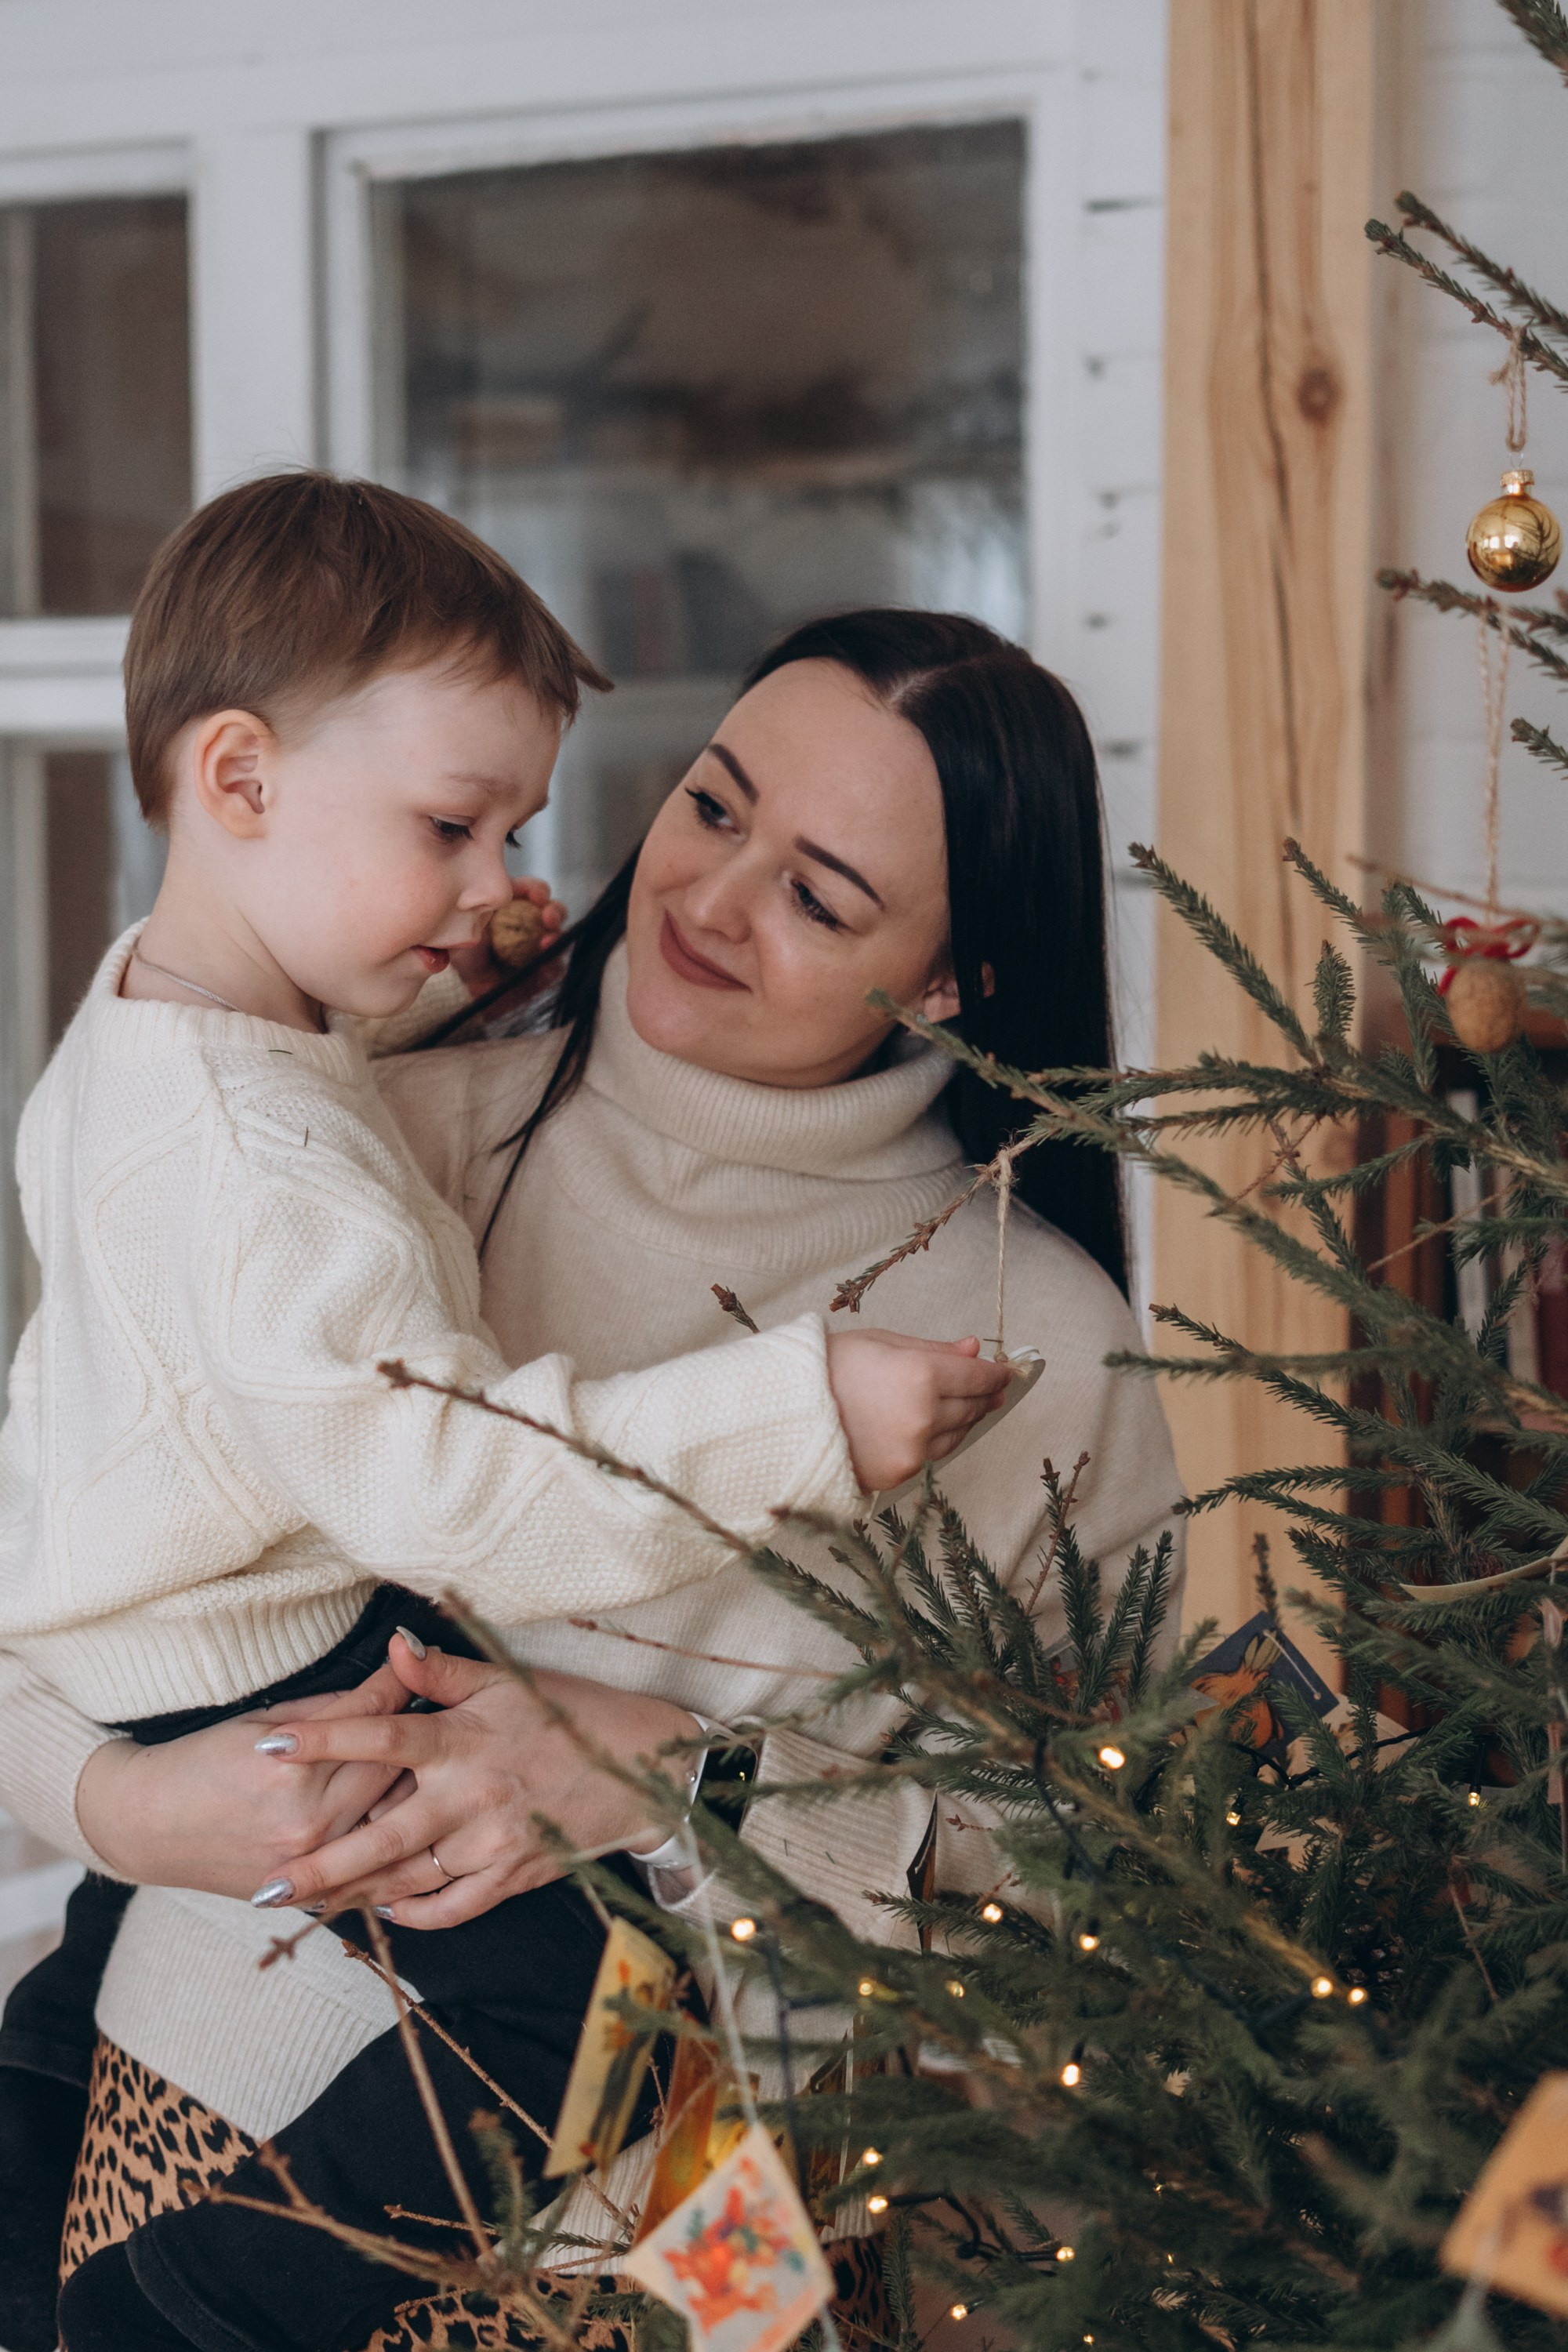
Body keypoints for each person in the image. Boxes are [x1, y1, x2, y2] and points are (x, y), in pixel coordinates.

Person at [5, 608, 1183, 2350]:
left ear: (954, 980)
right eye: (713, 810)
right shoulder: (370, 1137)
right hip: (200, 2130)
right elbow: (59, 1551)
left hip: (682, 2246)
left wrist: (685, 1785)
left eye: (819, 895)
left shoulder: (1036, 1347)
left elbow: (1100, 1915)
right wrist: (119, 1809)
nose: (706, 901)